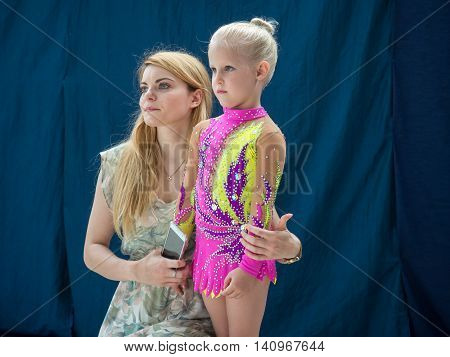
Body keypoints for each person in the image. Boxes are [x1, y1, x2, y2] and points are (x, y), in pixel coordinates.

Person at [83, 48, 302, 337]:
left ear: (195, 97)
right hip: (131, 317)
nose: (148, 96)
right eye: (144, 88)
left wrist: (290, 249)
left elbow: (265, 228)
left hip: (200, 318)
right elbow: (92, 251)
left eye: (163, 86)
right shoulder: (116, 163)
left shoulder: (222, 156)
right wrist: (137, 270)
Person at [171, 17, 293, 337]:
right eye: (213, 69)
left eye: (229, 69)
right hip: (206, 254)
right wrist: (173, 256)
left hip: (243, 257)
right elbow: (188, 200)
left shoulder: (267, 135)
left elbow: (260, 209)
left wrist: (249, 269)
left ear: (260, 71)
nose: (217, 79)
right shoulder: (204, 130)